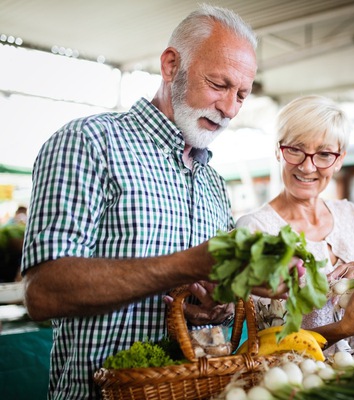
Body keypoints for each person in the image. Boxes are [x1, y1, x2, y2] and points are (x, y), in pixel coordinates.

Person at [19, 6, 287, 399]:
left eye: (242, 95)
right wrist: (185, 264)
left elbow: (216, 297)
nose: (229, 109)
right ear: (170, 64)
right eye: (218, 84)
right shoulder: (90, 142)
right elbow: (43, 293)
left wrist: (218, 305)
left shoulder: (213, 182)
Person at [236, 95, 354, 352]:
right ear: (278, 151)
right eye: (296, 150)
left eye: (324, 154)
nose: (308, 166)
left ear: (339, 160)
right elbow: (262, 342)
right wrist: (344, 329)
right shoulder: (255, 229)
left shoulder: (349, 215)